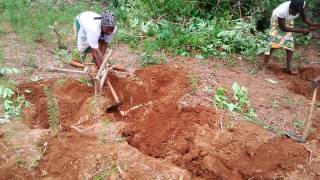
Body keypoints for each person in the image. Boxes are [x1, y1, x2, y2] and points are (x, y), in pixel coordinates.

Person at [262, 0, 320, 74]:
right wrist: (301, 30)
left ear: (300, 9)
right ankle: (264, 67)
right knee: (272, 43)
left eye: (296, 12)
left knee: (289, 44)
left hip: (288, 21)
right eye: (292, 10)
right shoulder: (281, 11)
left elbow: (305, 19)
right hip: (277, 20)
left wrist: (314, 25)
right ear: (290, 6)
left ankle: (289, 67)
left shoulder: (302, 4)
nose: (293, 13)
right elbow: (283, 28)